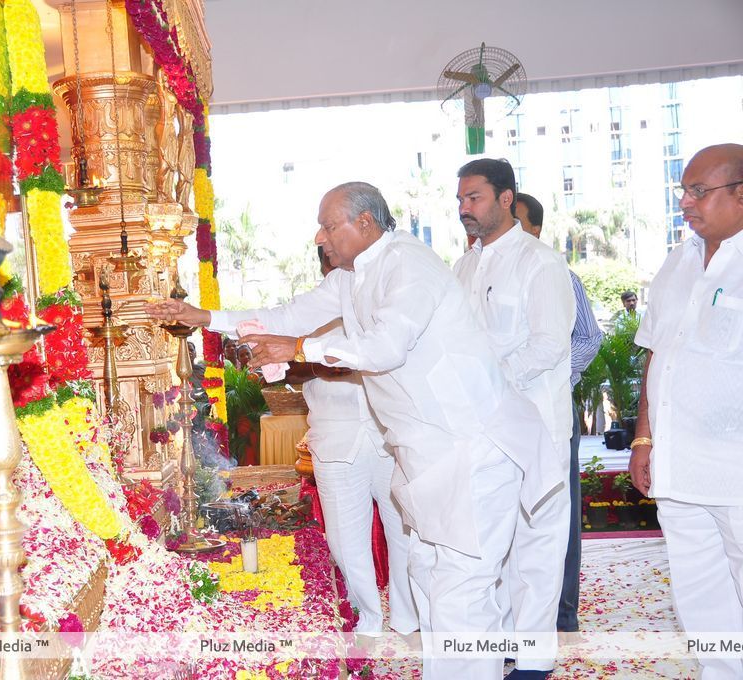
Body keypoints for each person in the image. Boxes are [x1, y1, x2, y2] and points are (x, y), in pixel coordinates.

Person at [149, 181, 562, 680]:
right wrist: (205, 317)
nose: (320, 236)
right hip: (428, 454)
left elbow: (385, 347)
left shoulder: (408, 264)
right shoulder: (352, 275)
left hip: (471, 447)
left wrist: (299, 348)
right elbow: (288, 315)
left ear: (364, 223)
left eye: (328, 225)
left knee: (461, 590)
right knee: (432, 579)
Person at [453, 160, 575, 680]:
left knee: (538, 545)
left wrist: (491, 383)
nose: (464, 209)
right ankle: (501, 646)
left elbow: (548, 345)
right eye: (460, 199)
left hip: (535, 427)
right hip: (483, 432)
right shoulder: (462, 267)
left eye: (474, 198)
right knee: (492, 545)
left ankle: (533, 660)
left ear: (507, 199)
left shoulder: (539, 262)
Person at [629, 143, 743, 679]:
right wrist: (643, 439)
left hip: (736, 468)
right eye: (684, 191)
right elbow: (658, 355)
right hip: (678, 466)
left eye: (699, 191)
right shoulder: (677, 261)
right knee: (700, 597)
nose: (686, 203)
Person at [283, 245, 416, 636]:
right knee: (345, 540)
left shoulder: (385, 300)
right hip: (335, 437)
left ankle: (409, 618)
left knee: (407, 532)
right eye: (330, 255)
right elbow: (287, 371)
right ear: (326, 263)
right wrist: (314, 364)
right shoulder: (307, 311)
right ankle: (368, 619)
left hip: (389, 436)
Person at [517, 191, 603, 637]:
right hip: (503, 416)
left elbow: (589, 339)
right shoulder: (478, 270)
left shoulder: (556, 274)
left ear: (534, 228)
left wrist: (553, 380)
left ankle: (561, 615)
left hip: (550, 414)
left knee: (555, 516)